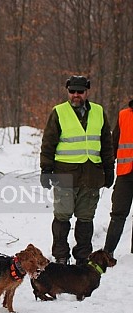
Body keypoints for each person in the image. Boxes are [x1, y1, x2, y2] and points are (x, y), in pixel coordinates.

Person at [40, 75, 114, 265]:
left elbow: (106, 144)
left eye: (79, 92)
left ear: (86, 92)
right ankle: (61, 256)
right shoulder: (59, 112)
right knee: (62, 217)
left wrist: (109, 169)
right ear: (68, 92)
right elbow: (48, 143)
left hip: (92, 176)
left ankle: (82, 257)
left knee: (85, 219)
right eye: (72, 91)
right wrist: (46, 169)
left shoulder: (99, 112)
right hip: (65, 175)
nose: (76, 95)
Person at [103, 100, 133, 258]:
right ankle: (108, 253)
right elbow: (113, 144)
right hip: (125, 174)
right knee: (118, 214)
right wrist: (106, 167)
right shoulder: (123, 115)